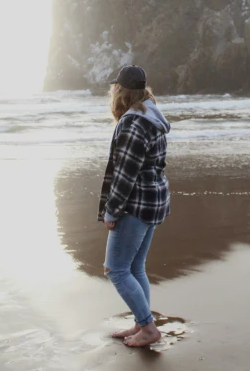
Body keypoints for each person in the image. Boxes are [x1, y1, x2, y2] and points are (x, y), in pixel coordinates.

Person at [99, 65, 171, 348]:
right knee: (136, 266)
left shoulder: (132, 122)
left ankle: (148, 328)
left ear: (120, 91)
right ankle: (140, 322)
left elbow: (125, 175)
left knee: (116, 270)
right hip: (153, 199)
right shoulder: (151, 114)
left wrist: (112, 210)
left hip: (136, 204)